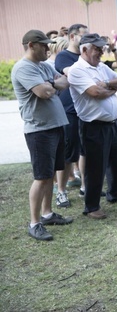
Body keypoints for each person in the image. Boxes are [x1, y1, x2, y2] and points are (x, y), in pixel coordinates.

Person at [11, 29, 73, 241]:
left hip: (55, 126)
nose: (48, 48)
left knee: (50, 174)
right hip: (39, 129)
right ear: (31, 45)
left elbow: (65, 82)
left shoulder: (44, 66)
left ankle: (47, 214)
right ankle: (34, 223)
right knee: (41, 177)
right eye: (44, 45)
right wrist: (52, 85)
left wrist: (52, 84)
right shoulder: (23, 68)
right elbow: (43, 92)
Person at [68, 33, 117, 220]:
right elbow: (94, 92)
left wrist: (106, 84)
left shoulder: (101, 68)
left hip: (111, 123)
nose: (101, 52)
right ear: (84, 50)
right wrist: (110, 90)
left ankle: (115, 194)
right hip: (93, 126)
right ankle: (91, 206)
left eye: (102, 48)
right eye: (97, 49)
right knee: (95, 167)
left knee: (116, 162)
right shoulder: (77, 70)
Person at [54, 23, 89, 205]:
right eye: (83, 36)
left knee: (85, 150)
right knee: (68, 153)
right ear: (72, 36)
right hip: (69, 110)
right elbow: (70, 73)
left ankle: (85, 186)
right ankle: (61, 192)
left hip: (86, 109)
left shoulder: (86, 56)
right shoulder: (63, 56)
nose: (86, 39)